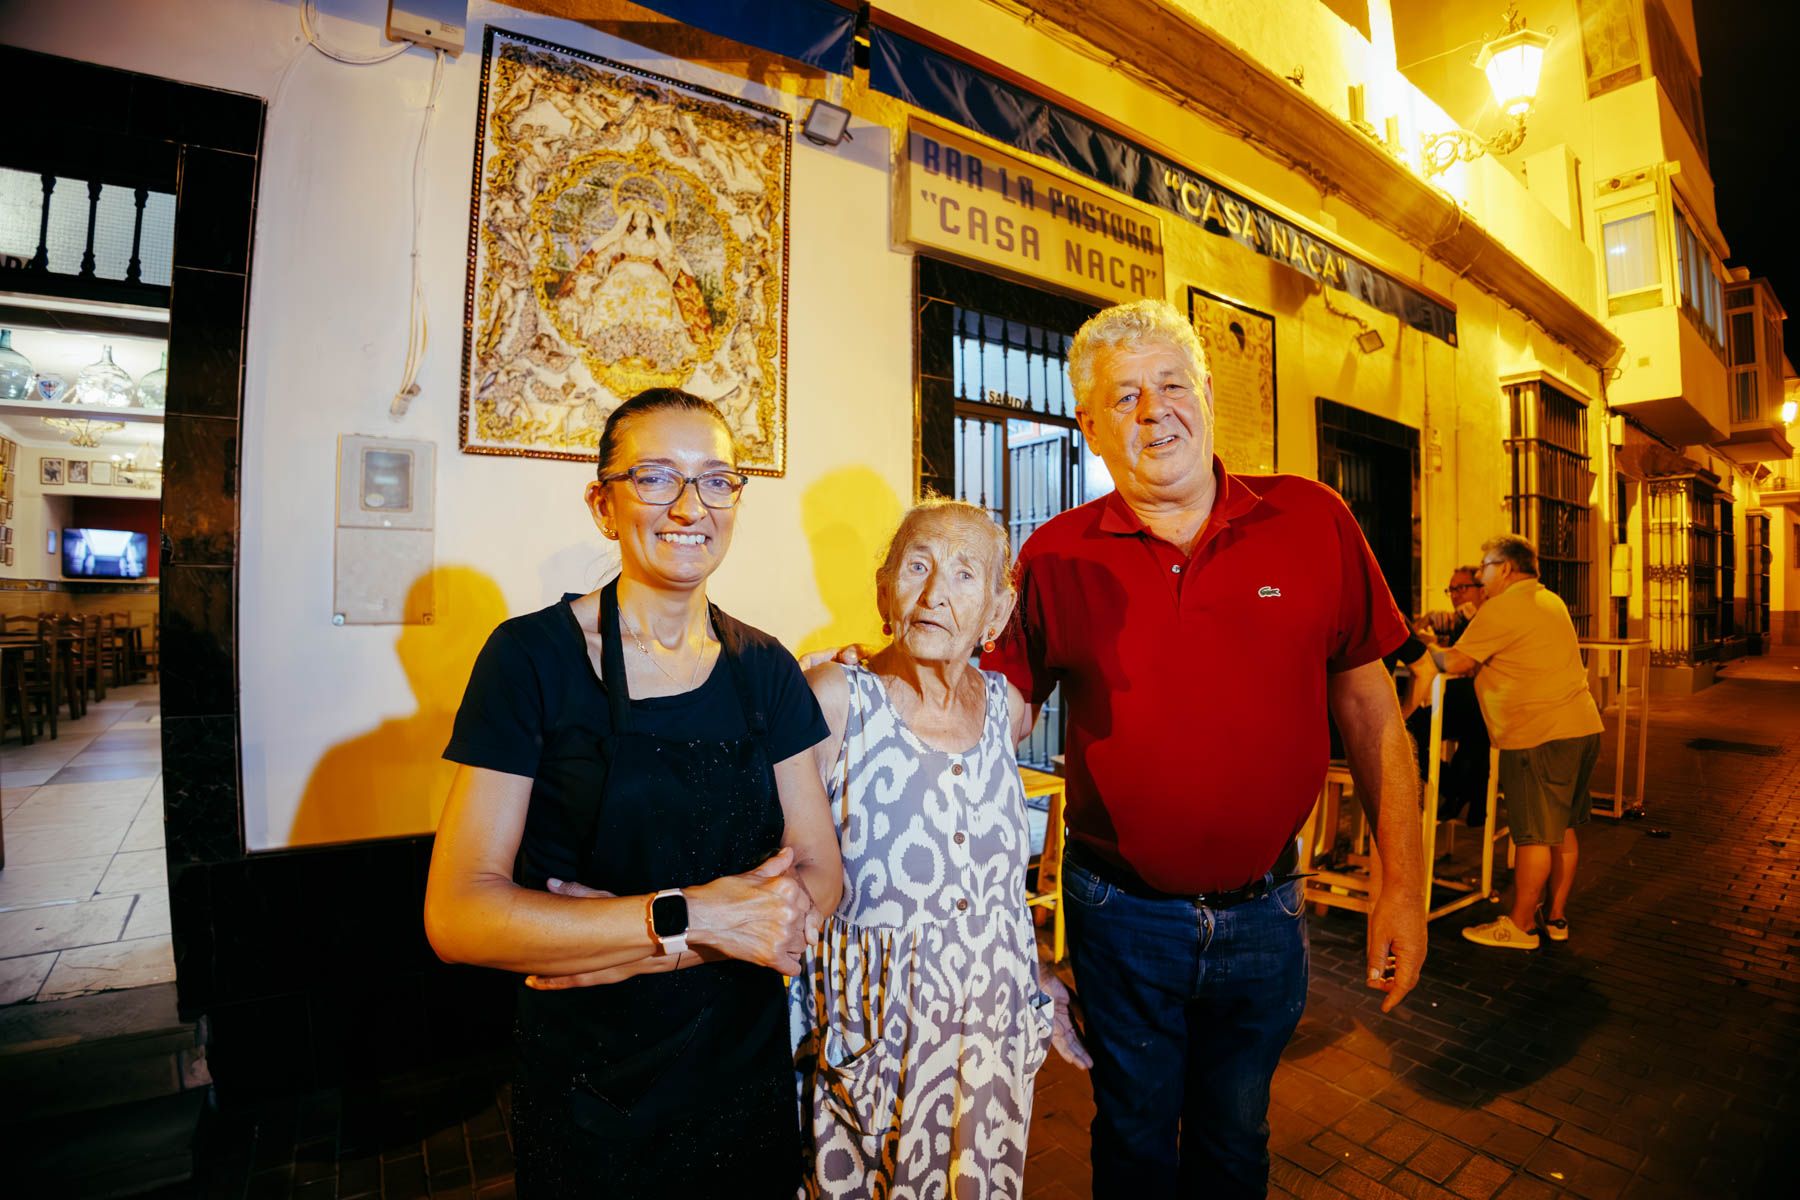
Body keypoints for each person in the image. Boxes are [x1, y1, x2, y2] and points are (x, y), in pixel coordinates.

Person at [983, 298, 1427, 1199]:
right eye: (1125, 397)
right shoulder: (1056, 556)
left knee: (1235, 1137)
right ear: (1090, 426)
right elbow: (994, 718)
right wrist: (883, 684)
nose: (1154, 412)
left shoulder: (1312, 520)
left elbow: (1373, 709)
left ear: (1209, 393)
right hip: (1119, 915)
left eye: (1172, 384)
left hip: (1268, 913)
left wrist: (1402, 888)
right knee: (1135, 1140)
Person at [423, 388, 843, 1197]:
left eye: (718, 481)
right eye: (655, 478)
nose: (691, 506)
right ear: (603, 505)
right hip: (591, 1092)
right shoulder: (530, 660)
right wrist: (706, 917)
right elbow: (458, 915)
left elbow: (820, 880)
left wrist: (628, 948)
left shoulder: (767, 669)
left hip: (741, 1074)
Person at [792, 499, 1090, 1200]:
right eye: (917, 566)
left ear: (996, 611)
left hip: (990, 1049)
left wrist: (1038, 972)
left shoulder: (1006, 711)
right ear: (884, 588)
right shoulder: (834, 699)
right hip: (871, 1048)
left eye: (964, 575)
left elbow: (992, 889)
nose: (934, 594)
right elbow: (766, 857)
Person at [1437, 534, 1603, 951]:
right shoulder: (1550, 600)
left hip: (1539, 735)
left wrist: (1414, 649)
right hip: (1581, 727)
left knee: (1531, 836)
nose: (1481, 576)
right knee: (1560, 830)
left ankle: (1521, 925)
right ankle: (1556, 917)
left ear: (1506, 568)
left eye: (1484, 568)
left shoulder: (1504, 606)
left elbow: (1456, 661)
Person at [1395, 565, 1490, 823]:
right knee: (1414, 730)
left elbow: (1461, 663)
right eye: (1452, 589)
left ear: (1482, 590)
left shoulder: (1486, 620)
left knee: (1408, 730)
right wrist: (1424, 629)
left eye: (1462, 588)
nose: (1456, 594)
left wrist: (1427, 645)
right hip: (1468, 705)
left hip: (1483, 704)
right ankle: (1463, 792)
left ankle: (1454, 789)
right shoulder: (1460, 621)